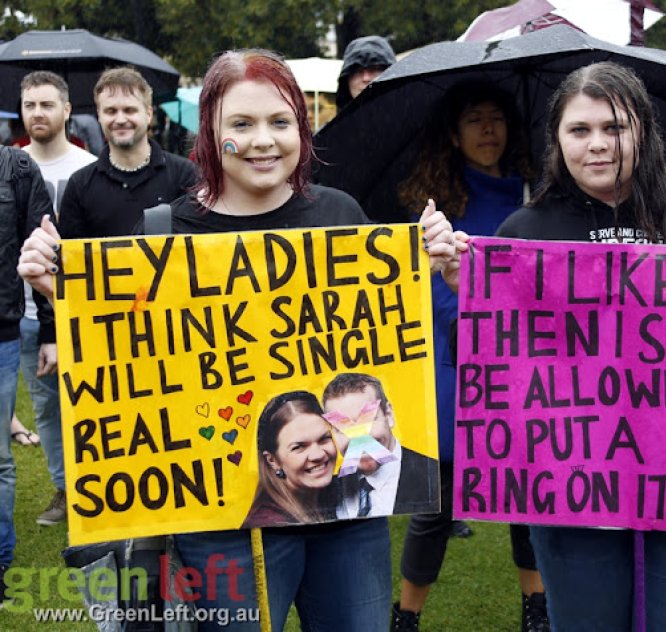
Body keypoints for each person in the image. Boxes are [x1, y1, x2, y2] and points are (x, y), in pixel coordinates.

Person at [19, 48, 455, 631]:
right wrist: (57, 291)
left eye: (280, 122)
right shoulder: (163, 230)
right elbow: (122, 359)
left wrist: (431, 267)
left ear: (301, 129)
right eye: (241, 124)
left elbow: (389, 340)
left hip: (348, 515)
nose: (262, 141)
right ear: (210, 133)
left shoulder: (339, 215)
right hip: (219, 519)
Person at [442, 61, 666, 631]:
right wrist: (472, 295)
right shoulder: (523, 233)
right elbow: (482, 360)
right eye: (579, 131)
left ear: (644, 133)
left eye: (615, 128)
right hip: (572, 484)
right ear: (556, 141)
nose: (598, 145)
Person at [393, 81, 548, 632]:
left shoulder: (538, 195)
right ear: (455, 136)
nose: (488, 130)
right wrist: (471, 308)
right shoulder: (435, 206)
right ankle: (406, 614)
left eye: (496, 119)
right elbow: (429, 290)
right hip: (456, 367)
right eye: (475, 120)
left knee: (528, 496)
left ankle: (537, 606)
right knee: (436, 506)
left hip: (526, 370)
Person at [17, 70, 98, 527]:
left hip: (80, 312)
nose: (38, 113)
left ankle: (98, 486)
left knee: (89, 404)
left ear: (67, 110)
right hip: (26, 314)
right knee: (47, 407)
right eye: (30, 105)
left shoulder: (87, 170)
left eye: (47, 104)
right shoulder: (9, 165)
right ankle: (66, 490)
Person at [0, 144, 55, 600]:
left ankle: (0, 563)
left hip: (1, 328)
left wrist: (51, 330)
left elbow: (42, 249)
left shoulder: (15, 168)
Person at [59, 66, 197, 239]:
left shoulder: (185, 175)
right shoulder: (79, 185)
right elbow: (70, 257)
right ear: (99, 116)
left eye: (129, 110)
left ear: (148, 114)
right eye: (111, 111)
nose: (121, 119)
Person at [322, 373, 439, 519]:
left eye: (367, 420)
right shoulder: (326, 491)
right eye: (342, 427)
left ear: (389, 415)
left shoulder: (434, 478)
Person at [242, 391, 338, 527]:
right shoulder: (267, 523)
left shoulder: (342, 492)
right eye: (299, 447)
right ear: (272, 461)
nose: (318, 455)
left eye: (324, 439)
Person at [335, 35, 396, 110]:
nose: (366, 78)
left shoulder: (411, 119)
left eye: (375, 69)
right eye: (357, 71)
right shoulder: (340, 121)